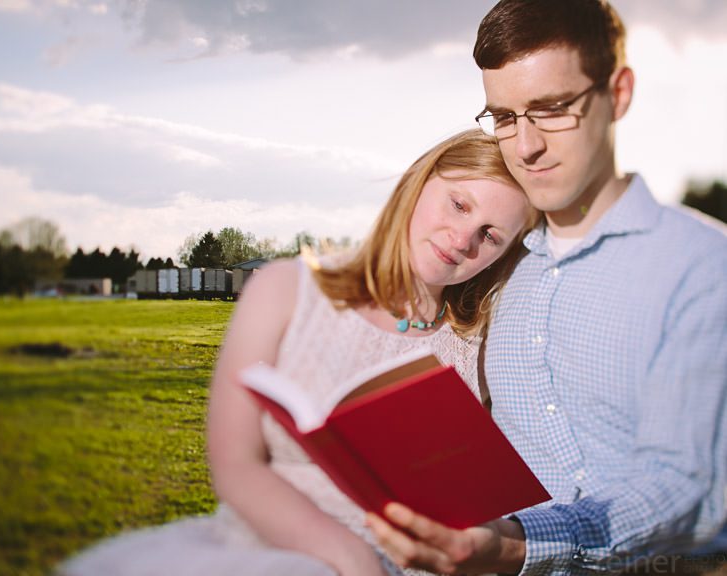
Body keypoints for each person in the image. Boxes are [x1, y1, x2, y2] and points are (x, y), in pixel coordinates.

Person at [56, 128, 538, 576]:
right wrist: (352, 560)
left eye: (490, 235)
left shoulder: (480, 347)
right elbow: (235, 466)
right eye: (458, 204)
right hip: (272, 555)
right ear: (419, 181)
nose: (463, 239)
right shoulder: (285, 289)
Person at [367, 1, 727, 574]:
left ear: (619, 94)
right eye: (504, 117)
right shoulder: (491, 268)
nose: (525, 146)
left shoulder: (702, 266)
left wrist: (516, 544)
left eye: (552, 109)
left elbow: (685, 488)